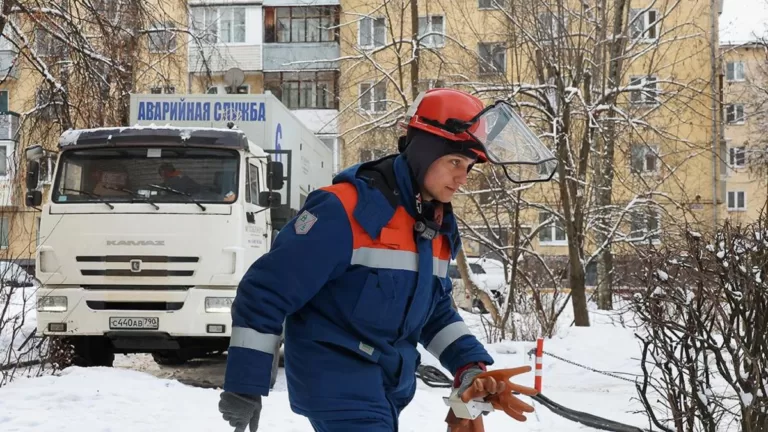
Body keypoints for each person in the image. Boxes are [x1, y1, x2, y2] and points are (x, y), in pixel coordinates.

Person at [218, 88, 549, 432]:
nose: (462, 178)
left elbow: (433, 310)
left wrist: (469, 366)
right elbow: (266, 290)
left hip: (387, 386)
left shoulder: (433, 226)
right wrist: (245, 383)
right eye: (454, 162)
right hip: (335, 381)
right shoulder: (343, 210)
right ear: (424, 152)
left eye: (467, 167)